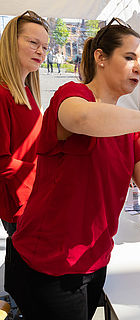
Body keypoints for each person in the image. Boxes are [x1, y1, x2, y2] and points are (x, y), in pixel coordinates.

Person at [4, 18, 140, 320]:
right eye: (129, 57)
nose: (138, 68)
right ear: (100, 57)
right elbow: (85, 120)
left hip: (94, 257)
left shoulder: (130, 123)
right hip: (49, 261)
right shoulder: (71, 95)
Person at [0, 11, 49, 237]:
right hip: (20, 203)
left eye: (45, 47)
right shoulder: (2, 94)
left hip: (34, 199)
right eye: (33, 43)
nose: (41, 51)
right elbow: (3, 162)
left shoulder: (26, 92)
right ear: (12, 43)